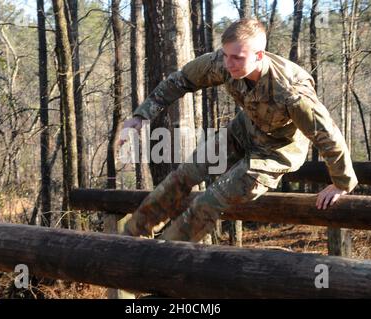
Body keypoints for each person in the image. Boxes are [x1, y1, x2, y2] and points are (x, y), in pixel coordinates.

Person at [119, 18, 358, 242]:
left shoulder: (292, 92)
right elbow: (180, 80)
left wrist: (341, 182)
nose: (228, 63)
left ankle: (161, 257)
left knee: (210, 199)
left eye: (237, 58)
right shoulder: (224, 62)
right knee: (185, 174)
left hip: (275, 153)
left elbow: (327, 135)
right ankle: (131, 238)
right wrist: (141, 116)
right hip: (243, 132)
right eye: (225, 55)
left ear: (259, 56)